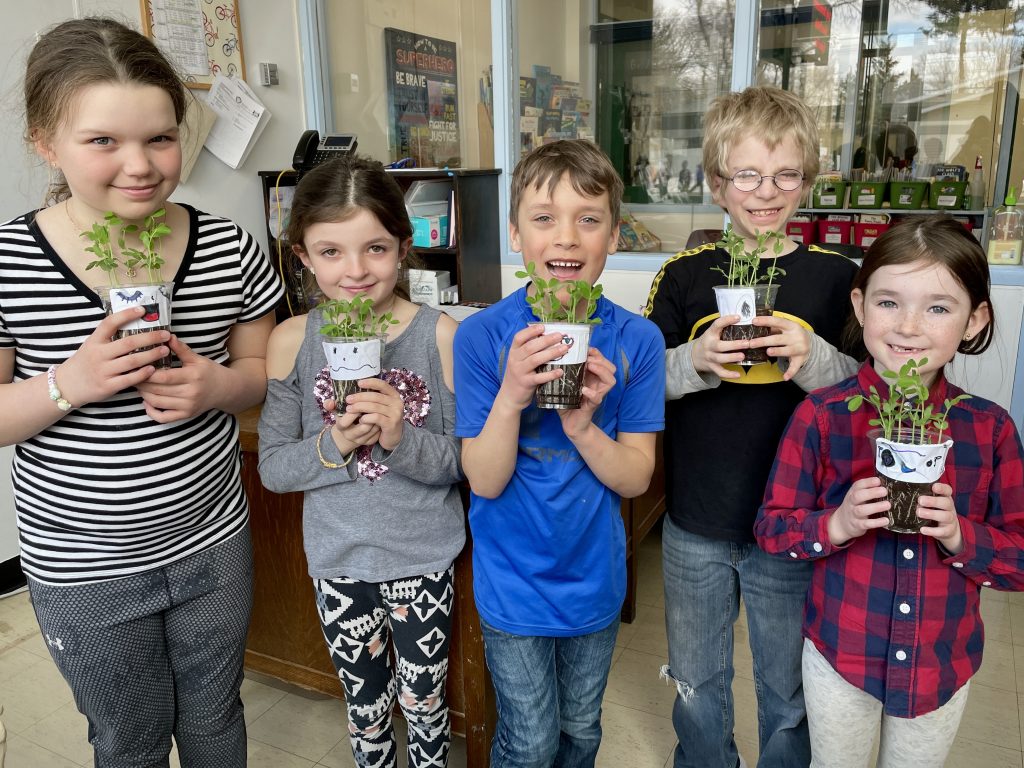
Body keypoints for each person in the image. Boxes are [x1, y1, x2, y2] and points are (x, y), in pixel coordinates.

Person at [0, 17, 282, 767]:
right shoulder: (9, 260)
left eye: (160, 138)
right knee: (130, 741)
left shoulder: (229, 247)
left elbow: (261, 370)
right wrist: (69, 383)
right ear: (44, 142)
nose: (140, 165)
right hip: (83, 566)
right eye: (103, 140)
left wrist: (220, 385)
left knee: (216, 720)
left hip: (212, 543)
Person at [643, 85, 860, 768]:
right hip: (696, 521)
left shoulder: (838, 279)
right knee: (696, 681)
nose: (766, 192)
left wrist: (815, 358)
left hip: (797, 522)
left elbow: (871, 394)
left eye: (786, 175)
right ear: (717, 183)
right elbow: (641, 383)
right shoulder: (682, 276)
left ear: (807, 182)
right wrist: (696, 360)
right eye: (747, 175)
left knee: (788, 686)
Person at [754, 215, 1023, 766]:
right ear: (859, 306)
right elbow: (773, 529)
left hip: (940, 662)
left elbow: (1018, 559)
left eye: (938, 308)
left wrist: (959, 536)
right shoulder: (823, 416)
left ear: (974, 320)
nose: (908, 326)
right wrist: (837, 524)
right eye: (888, 302)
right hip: (841, 656)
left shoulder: (989, 429)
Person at [454, 138, 665, 767]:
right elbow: (484, 481)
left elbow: (636, 478)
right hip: (512, 582)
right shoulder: (482, 336)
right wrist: (512, 395)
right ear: (516, 234)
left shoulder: (638, 340)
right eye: (544, 218)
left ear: (615, 235)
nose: (566, 237)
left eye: (589, 219)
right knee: (530, 740)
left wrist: (581, 427)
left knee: (580, 731)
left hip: (594, 579)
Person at [257, 154, 465, 768]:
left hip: (422, 559)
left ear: (403, 246)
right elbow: (273, 468)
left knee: (426, 704)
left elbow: (463, 462)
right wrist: (338, 443)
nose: (355, 270)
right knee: (365, 707)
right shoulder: (291, 341)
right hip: (338, 562)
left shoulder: (440, 337)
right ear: (303, 256)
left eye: (375, 248)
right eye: (331, 252)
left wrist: (400, 437)